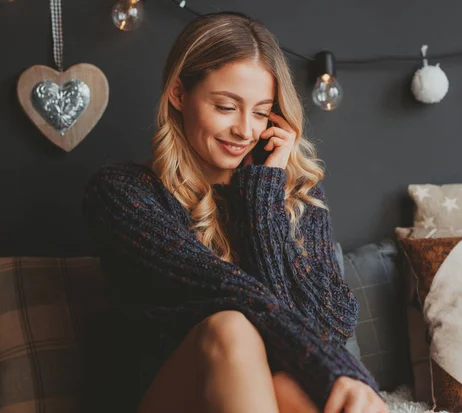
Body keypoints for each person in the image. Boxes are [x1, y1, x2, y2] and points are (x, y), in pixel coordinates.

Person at [82, 11, 388, 413]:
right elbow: (232, 291)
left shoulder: (296, 194)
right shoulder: (124, 194)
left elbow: (329, 326)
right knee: (232, 326)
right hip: (169, 397)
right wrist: (334, 371)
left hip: (265, 393)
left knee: (298, 391)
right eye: (226, 106)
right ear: (179, 93)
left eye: (261, 112)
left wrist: (263, 195)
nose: (246, 131)